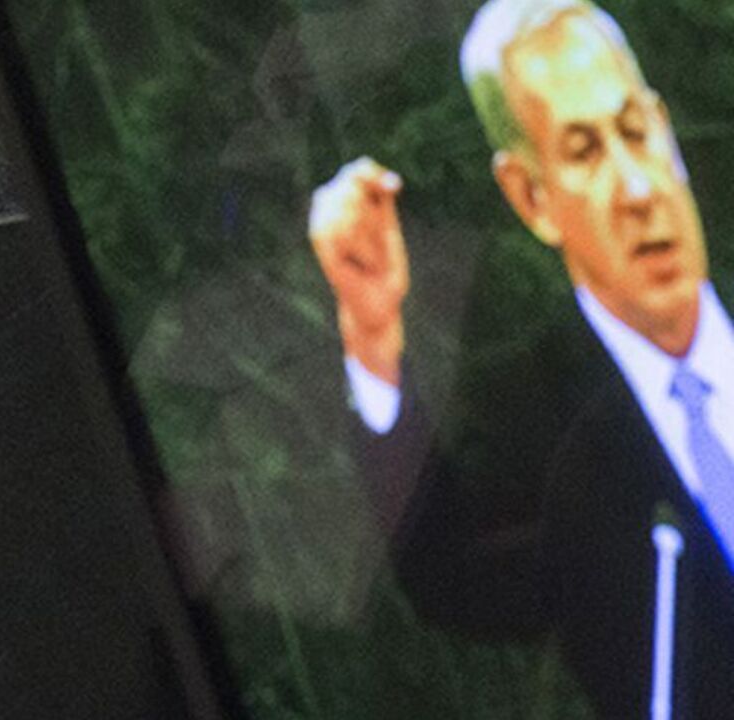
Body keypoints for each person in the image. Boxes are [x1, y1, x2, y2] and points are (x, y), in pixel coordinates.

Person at [309, 0, 734, 716]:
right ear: (531, 195)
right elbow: (450, 578)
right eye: (585, 151)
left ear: (667, 131)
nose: (637, 188)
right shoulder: (536, 425)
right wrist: (372, 336)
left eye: (636, 132)